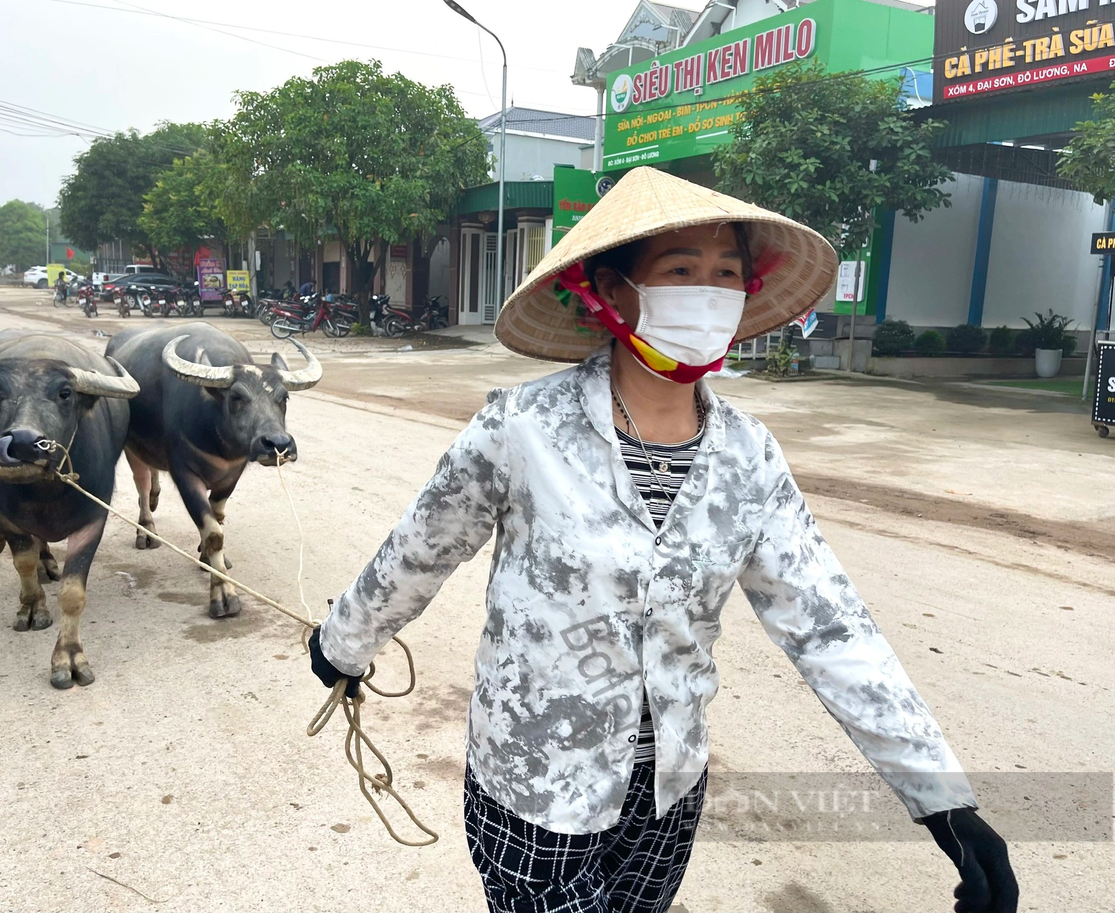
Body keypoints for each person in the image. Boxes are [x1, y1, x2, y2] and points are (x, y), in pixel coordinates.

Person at [308, 167, 1018, 913]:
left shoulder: (750, 456)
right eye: (681, 271)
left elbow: (830, 625)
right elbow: (420, 550)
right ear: (614, 292)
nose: (707, 293)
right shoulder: (522, 428)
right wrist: (344, 642)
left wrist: (941, 801)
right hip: (536, 787)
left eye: (726, 275)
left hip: (667, 794)